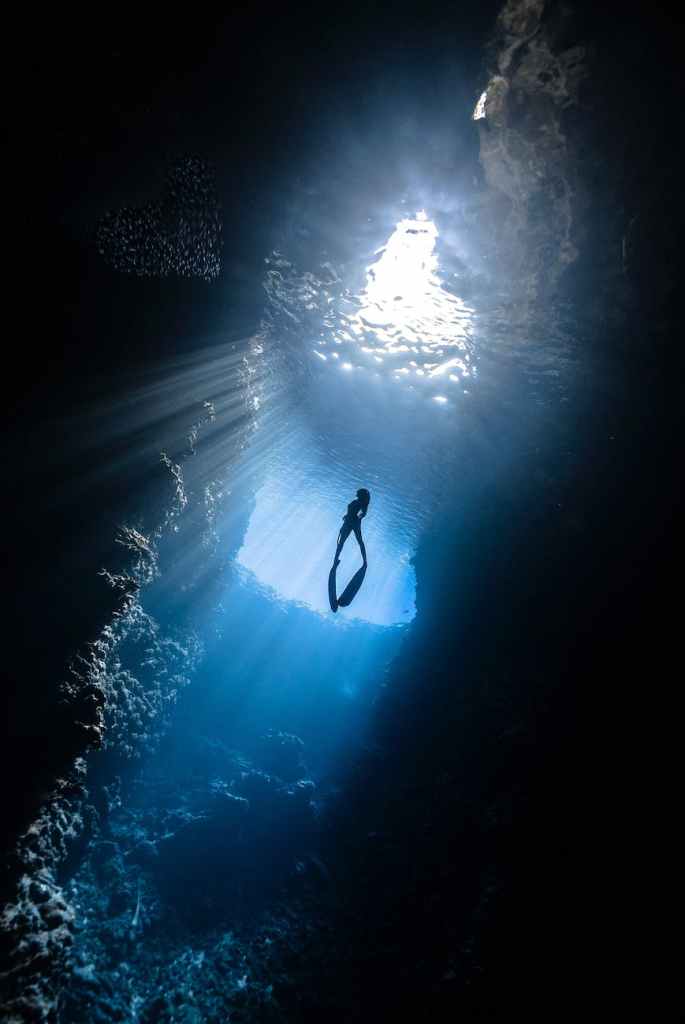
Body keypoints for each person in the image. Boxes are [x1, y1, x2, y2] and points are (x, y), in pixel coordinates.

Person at [334, 488, 370, 567]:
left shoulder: (360, 503)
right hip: (351, 523)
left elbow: (362, 514)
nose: (356, 494)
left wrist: (355, 517)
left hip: (351, 523)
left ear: (360, 495)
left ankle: (364, 562)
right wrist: (348, 516)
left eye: (358, 493)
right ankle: (365, 561)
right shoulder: (358, 502)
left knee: (342, 542)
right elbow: (359, 514)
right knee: (358, 542)